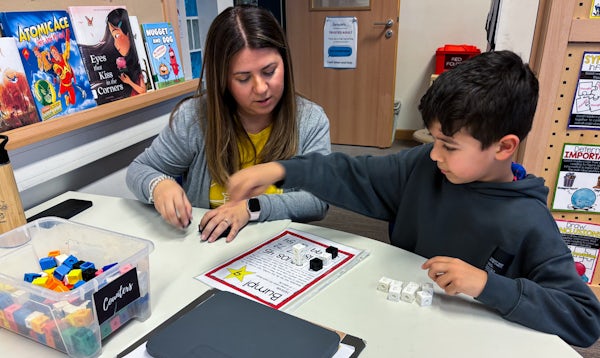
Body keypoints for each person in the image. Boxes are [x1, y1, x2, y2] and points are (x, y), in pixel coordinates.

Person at [227, 50, 600, 347]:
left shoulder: (529, 221)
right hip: (400, 326)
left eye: (449, 146)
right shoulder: (426, 165)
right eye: (432, 140)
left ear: (504, 147)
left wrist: (487, 285)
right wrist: (281, 170)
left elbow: (585, 318)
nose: (435, 154)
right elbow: (351, 174)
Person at [126, 5, 331, 242]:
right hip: (209, 252)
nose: (261, 88)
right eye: (243, 78)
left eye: (269, 71)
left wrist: (251, 208)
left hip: (279, 251)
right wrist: (159, 186)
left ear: (284, 62)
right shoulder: (194, 117)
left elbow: (319, 200)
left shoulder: (310, 120)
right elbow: (139, 169)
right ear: (222, 79)